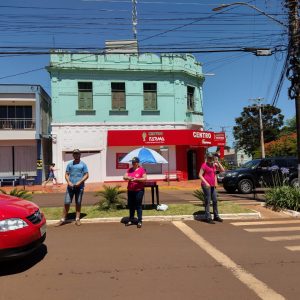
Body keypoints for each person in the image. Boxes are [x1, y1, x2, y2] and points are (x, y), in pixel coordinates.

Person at [56, 149, 89, 226]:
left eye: (77, 154)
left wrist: (80, 182)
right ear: (73, 155)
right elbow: (66, 174)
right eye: (74, 154)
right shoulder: (70, 164)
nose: (76, 155)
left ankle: (77, 219)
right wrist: (69, 182)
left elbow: (86, 175)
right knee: (66, 202)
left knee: (78, 202)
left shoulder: (83, 164)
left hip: (80, 187)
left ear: (80, 155)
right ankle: (62, 219)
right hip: (70, 187)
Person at [199, 153, 225, 224]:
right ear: (207, 158)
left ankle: (216, 216)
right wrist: (206, 182)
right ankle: (208, 217)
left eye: (211, 158)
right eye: (209, 158)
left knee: (215, 200)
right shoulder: (204, 165)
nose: (210, 159)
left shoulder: (214, 165)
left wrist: (218, 162)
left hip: (212, 185)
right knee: (208, 201)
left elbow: (223, 170)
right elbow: (200, 175)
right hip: (206, 185)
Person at [123, 157, 147, 228]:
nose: (133, 164)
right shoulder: (129, 170)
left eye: (135, 162)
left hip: (139, 191)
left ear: (138, 163)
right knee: (131, 205)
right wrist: (128, 178)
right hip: (130, 190)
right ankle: (131, 219)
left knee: (138, 205)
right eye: (132, 162)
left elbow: (145, 179)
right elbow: (124, 177)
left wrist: (137, 179)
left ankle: (139, 221)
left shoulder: (141, 170)